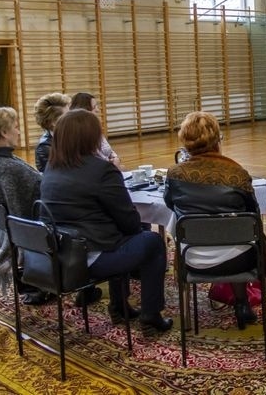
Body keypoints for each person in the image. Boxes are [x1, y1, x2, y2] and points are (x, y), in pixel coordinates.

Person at [40, 109, 172, 336]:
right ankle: (151, 315)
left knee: (121, 236)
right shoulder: (101, 170)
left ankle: (120, 306)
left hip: (58, 254)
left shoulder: (52, 168)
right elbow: (129, 221)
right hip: (89, 257)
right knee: (152, 242)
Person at [163, 111, 262, 329]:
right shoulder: (237, 174)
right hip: (238, 260)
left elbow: (170, 204)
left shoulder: (174, 174)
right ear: (217, 140)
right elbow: (253, 216)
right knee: (241, 239)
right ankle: (242, 304)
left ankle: (190, 315)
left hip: (192, 257)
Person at [0, 106, 48, 304]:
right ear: (3, 132)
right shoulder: (9, 168)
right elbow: (39, 197)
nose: (18, 131)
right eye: (15, 127)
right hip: (22, 242)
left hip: (1, 237)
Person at [69, 92, 120, 167]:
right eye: (94, 107)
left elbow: (109, 150)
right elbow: (94, 159)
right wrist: (111, 163)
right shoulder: (79, 134)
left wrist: (115, 157)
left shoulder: (94, 128)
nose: (98, 110)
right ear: (85, 110)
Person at [33, 92, 69, 172]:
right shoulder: (44, 147)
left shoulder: (70, 137)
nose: (72, 118)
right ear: (54, 122)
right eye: (67, 116)